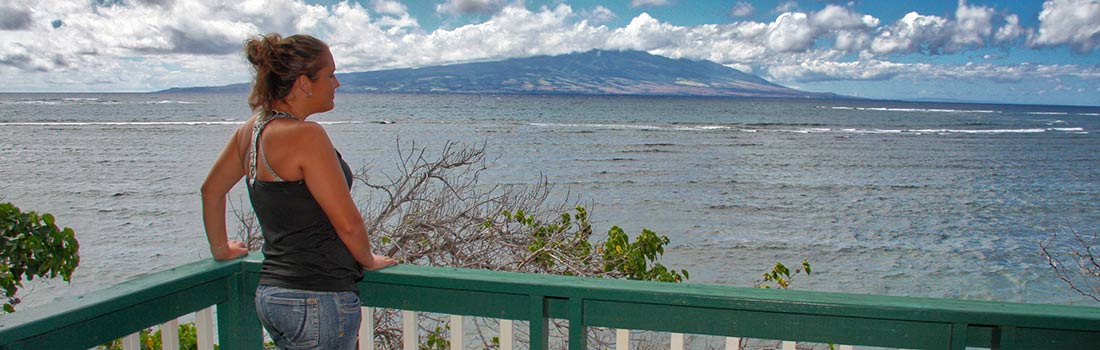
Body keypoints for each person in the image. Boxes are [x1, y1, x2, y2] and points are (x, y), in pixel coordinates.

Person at [200, 33, 396, 350]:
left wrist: (221, 248)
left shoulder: (250, 130)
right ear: (304, 83)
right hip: (317, 298)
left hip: (273, 296)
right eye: (330, 74)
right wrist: (367, 259)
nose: (338, 83)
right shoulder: (307, 136)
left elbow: (211, 191)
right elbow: (347, 223)